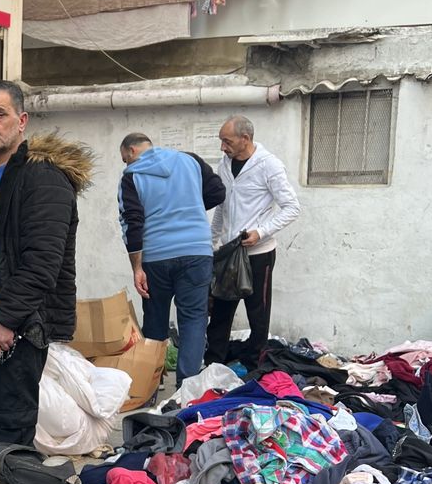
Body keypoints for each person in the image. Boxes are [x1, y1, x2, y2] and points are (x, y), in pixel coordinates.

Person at [0, 80, 92, 457]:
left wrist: (6, 319)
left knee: (9, 433)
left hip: (16, 327)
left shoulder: (43, 177)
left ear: (21, 121)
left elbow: (42, 262)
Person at [118, 133, 225, 385]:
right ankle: (186, 387)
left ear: (132, 151)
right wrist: (192, 206)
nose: (126, 164)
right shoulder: (190, 161)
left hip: (156, 256)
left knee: (155, 319)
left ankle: (150, 384)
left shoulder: (131, 176)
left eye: (124, 159)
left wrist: (136, 267)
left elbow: (132, 223)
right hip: (196, 251)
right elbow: (218, 192)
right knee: (194, 319)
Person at [206, 115, 300, 369]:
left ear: (245, 138)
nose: (222, 147)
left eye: (227, 141)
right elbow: (221, 208)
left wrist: (261, 232)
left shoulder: (269, 165)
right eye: (221, 141)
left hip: (258, 253)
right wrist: (211, 242)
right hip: (229, 253)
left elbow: (292, 207)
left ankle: (255, 366)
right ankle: (213, 363)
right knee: (221, 310)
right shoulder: (224, 165)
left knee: (257, 313)